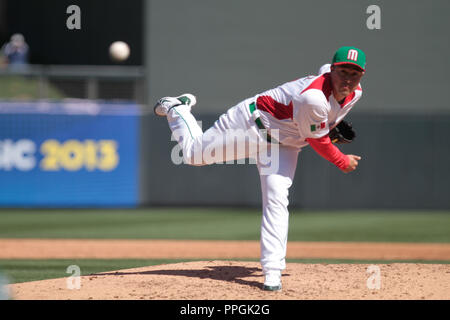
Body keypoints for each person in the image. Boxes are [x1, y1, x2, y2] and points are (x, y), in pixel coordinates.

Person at [154, 46, 366, 291]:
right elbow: (318, 142)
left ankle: (272, 272)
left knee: (277, 199)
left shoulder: (355, 92)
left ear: (361, 76)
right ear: (332, 71)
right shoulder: (313, 97)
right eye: (342, 72)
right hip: (250, 125)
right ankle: (178, 109)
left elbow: (317, 125)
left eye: (354, 73)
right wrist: (342, 160)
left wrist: (326, 127)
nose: (348, 79)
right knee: (192, 154)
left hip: (284, 145)